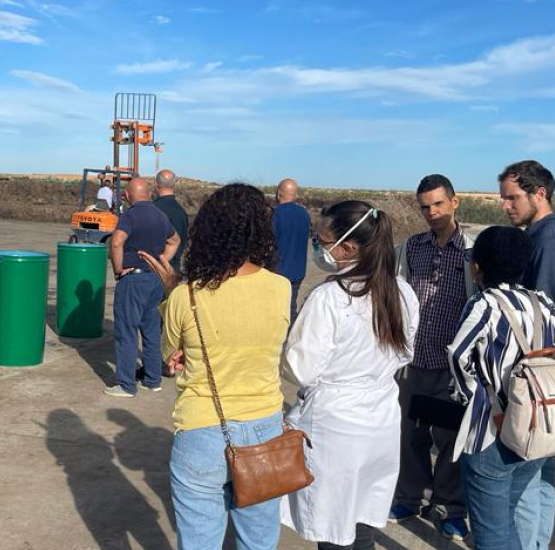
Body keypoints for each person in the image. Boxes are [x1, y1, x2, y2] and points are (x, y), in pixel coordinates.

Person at [140, 183, 290, 550]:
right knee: (258, 540)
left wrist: (174, 289)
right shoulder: (282, 287)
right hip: (266, 428)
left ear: (208, 231)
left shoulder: (185, 295)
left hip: (202, 429)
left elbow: (169, 354)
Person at [280, 200, 420, 550]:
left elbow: (301, 368)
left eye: (323, 241)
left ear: (349, 247)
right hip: (380, 421)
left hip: (335, 427)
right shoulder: (402, 291)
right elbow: (405, 352)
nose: (319, 247)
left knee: (332, 528)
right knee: (361, 521)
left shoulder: (331, 297)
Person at [448, 226, 555, 550]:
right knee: (507, 516)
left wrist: (471, 394)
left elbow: (457, 354)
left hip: (492, 431)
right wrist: (543, 378)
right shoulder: (539, 301)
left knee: (491, 534)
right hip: (536, 430)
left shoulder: (484, 303)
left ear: (477, 267)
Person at [498, 160, 555, 548]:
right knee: (540, 477)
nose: (505, 206)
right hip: (542, 378)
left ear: (539, 194)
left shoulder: (548, 242)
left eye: (512, 198)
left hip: (538, 380)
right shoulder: (544, 234)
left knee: (525, 480)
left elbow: (545, 323)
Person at [390, 174, 475, 541]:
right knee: (409, 436)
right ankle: (409, 497)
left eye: (439, 204)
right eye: (425, 206)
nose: (432, 212)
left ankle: (449, 507)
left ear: (455, 202)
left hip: (450, 369)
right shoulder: (411, 248)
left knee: (450, 439)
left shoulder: (471, 251)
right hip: (413, 363)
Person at [105, 178, 179, 398]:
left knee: (127, 332)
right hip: (155, 281)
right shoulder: (160, 215)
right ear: (149, 193)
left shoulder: (130, 215)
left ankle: (127, 385)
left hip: (133, 280)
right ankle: (153, 379)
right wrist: (161, 262)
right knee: (151, 331)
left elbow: (116, 242)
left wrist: (119, 269)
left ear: (128, 195)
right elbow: (175, 240)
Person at [272, 178, 311, 320]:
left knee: (276, 310)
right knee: (291, 307)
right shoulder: (305, 215)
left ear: (278, 193)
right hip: (298, 271)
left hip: (278, 272)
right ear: (295, 196)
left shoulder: (275, 215)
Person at [153, 169, 190, 272]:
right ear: (174, 185)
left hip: (154, 267)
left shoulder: (152, 209)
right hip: (174, 268)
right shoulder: (181, 211)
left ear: (156, 184)